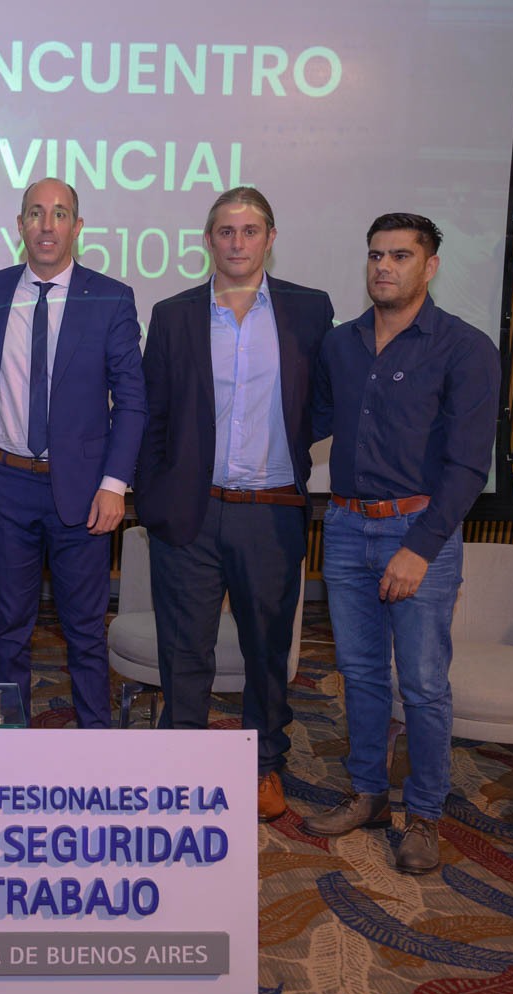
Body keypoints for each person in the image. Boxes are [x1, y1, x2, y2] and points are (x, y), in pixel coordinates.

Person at [301, 212, 500, 874]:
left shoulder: (465, 348)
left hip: (419, 532)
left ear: (430, 266)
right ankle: (368, 793)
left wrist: (420, 547)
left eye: (400, 256)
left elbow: (468, 467)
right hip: (344, 526)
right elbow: (312, 422)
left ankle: (424, 816)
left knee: (420, 682)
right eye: (375, 255)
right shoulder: (341, 344)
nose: (383, 266)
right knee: (358, 673)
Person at [134, 187, 333, 821]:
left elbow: (322, 401)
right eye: (225, 231)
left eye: (250, 231)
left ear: (270, 238)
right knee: (184, 648)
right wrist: (155, 499)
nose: (237, 242)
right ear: (209, 240)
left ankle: (263, 764)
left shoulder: (309, 310)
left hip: (271, 512)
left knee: (267, 650)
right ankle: (183, 763)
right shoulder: (173, 315)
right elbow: (152, 414)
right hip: (191, 513)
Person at [0, 178, 145, 728]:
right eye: (36, 213)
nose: (47, 225)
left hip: (85, 492)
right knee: (10, 628)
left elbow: (132, 400)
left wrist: (114, 485)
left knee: (85, 630)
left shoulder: (112, 297)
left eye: (60, 213)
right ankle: (10, 741)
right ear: (20, 224)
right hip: (7, 484)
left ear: (77, 226)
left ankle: (94, 743)